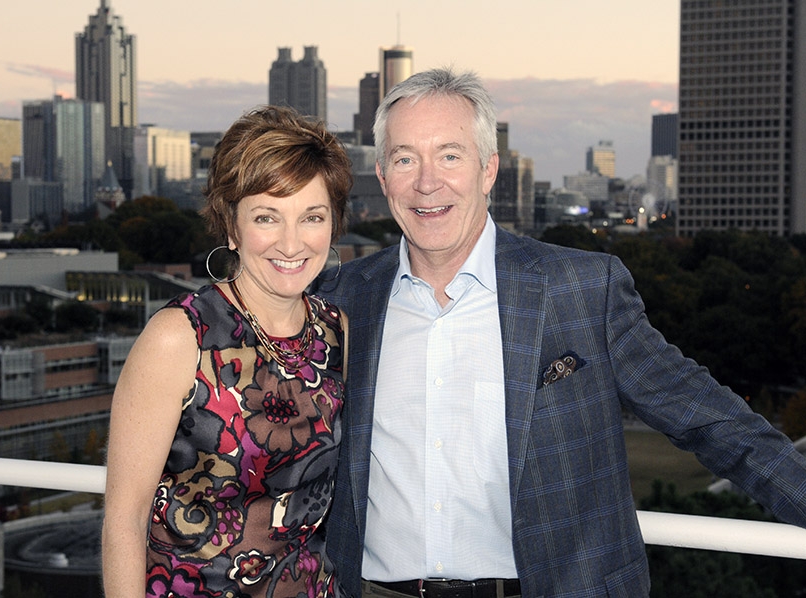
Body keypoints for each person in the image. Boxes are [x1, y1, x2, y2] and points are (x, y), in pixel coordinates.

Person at [314, 68, 806, 598]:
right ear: (383, 177)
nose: (427, 181)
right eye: (405, 158)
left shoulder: (581, 289)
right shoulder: (340, 300)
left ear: (488, 170)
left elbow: (708, 419)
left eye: (450, 155)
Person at [102, 105, 352, 598]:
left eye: (312, 217)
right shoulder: (181, 337)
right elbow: (123, 522)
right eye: (266, 217)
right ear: (232, 225)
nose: (291, 242)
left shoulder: (335, 330)